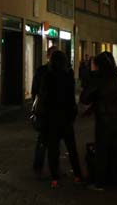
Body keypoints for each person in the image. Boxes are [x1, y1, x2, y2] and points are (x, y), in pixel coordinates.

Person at [36, 48, 84, 188]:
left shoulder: (47, 76)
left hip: (51, 118)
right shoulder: (67, 75)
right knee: (72, 148)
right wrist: (72, 114)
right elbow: (71, 98)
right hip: (66, 117)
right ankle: (77, 175)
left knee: (53, 149)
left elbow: (43, 97)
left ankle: (55, 178)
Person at [80, 51, 117, 190]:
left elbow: (85, 98)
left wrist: (92, 74)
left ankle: (101, 182)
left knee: (103, 151)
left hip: (105, 121)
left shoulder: (99, 78)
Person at [31, 45, 58, 176]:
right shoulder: (61, 71)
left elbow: (34, 90)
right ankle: (49, 169)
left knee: (43, 140)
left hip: (46, 111)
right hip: (49, 112)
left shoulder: (42, 71)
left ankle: (40, 167)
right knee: (48, 141)